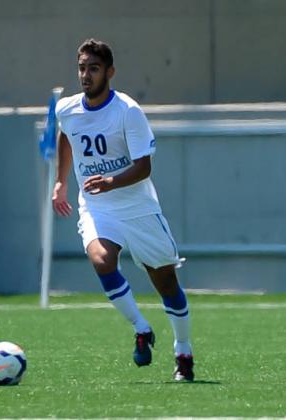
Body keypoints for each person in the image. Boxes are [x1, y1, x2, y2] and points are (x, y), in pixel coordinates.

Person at [52, 38, 194, 381]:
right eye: (82, 68)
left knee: (166, 283)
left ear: (110, 72)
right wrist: (61, 181)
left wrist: (111, 181)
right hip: (98, 207)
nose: (86, 75)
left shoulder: (127, 111)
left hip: (138, 208)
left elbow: (144, 167)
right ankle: (141, 328)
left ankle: (183, 350)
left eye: (94, 69)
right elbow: (66, 135)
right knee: (102, 260)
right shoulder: (67, 109)